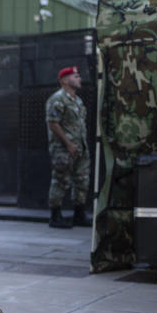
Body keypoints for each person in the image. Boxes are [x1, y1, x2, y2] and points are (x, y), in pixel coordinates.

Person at [46, 66, 91, 228]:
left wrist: (79, 145)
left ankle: (79, 214)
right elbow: (52, 123)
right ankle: (55, 216)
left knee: (82, 181)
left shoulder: (77, 101)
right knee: (60, 181)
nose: (79, 79)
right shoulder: (57, 99)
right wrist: (68, 144)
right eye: (76, 76)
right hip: (64, 149)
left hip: (80, 148)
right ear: (64, 80)